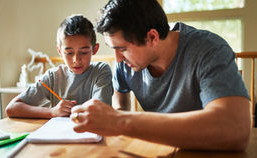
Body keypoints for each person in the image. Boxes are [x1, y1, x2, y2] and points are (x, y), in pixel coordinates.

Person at [70, 0, 251, 151]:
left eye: (123, 49)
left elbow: (236, 129)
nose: (118, 59)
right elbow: (120, 110)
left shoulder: (209, 50)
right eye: (114, 49)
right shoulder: (125, 66)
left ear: (152, 37)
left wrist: (119, 121)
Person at [6, 15, 113, 118]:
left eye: (84, 52)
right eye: (69, 53)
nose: (76, 60)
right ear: (60, 51)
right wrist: (52, 112)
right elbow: (11, 108)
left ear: (94, 49)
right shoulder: (53, 76)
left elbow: (101, 111)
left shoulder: (101, 71)